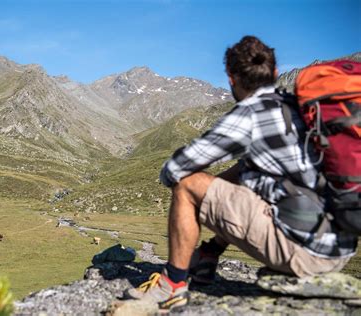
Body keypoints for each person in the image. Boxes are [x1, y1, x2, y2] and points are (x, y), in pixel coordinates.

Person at [124, 35, 357, 310]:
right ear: (275, 72)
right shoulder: (299, 106)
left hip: (305, 253)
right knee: (244, 170)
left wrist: (197, 192)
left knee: (188, 185)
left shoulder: (251, 113)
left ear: (231, 78)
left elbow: (175, 170)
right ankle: (208, 255)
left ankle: (172, 286)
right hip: (338, 245)